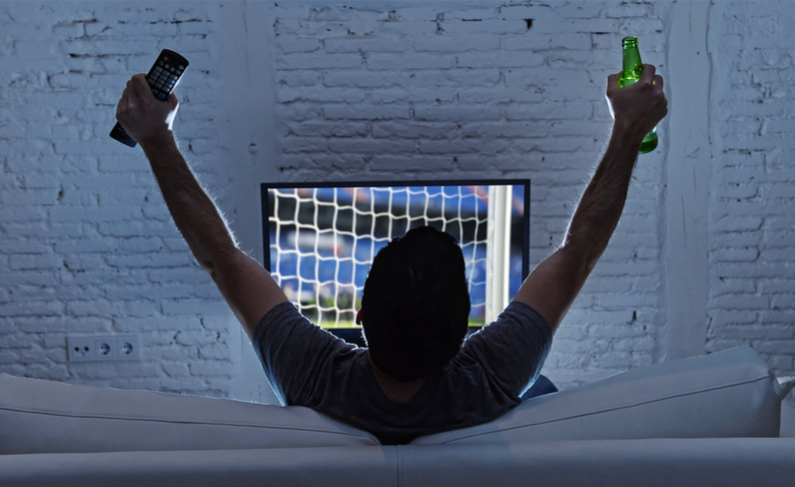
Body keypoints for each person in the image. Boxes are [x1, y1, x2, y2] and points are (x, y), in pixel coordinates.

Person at [115, 63, 667, 445]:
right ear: (468, 335)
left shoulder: (310, 377)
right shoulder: (496, 375)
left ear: (358, 316)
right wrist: (628, 129)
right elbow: (579, 253)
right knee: (543, 393)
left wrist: (156, 139)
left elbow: (221, 259)